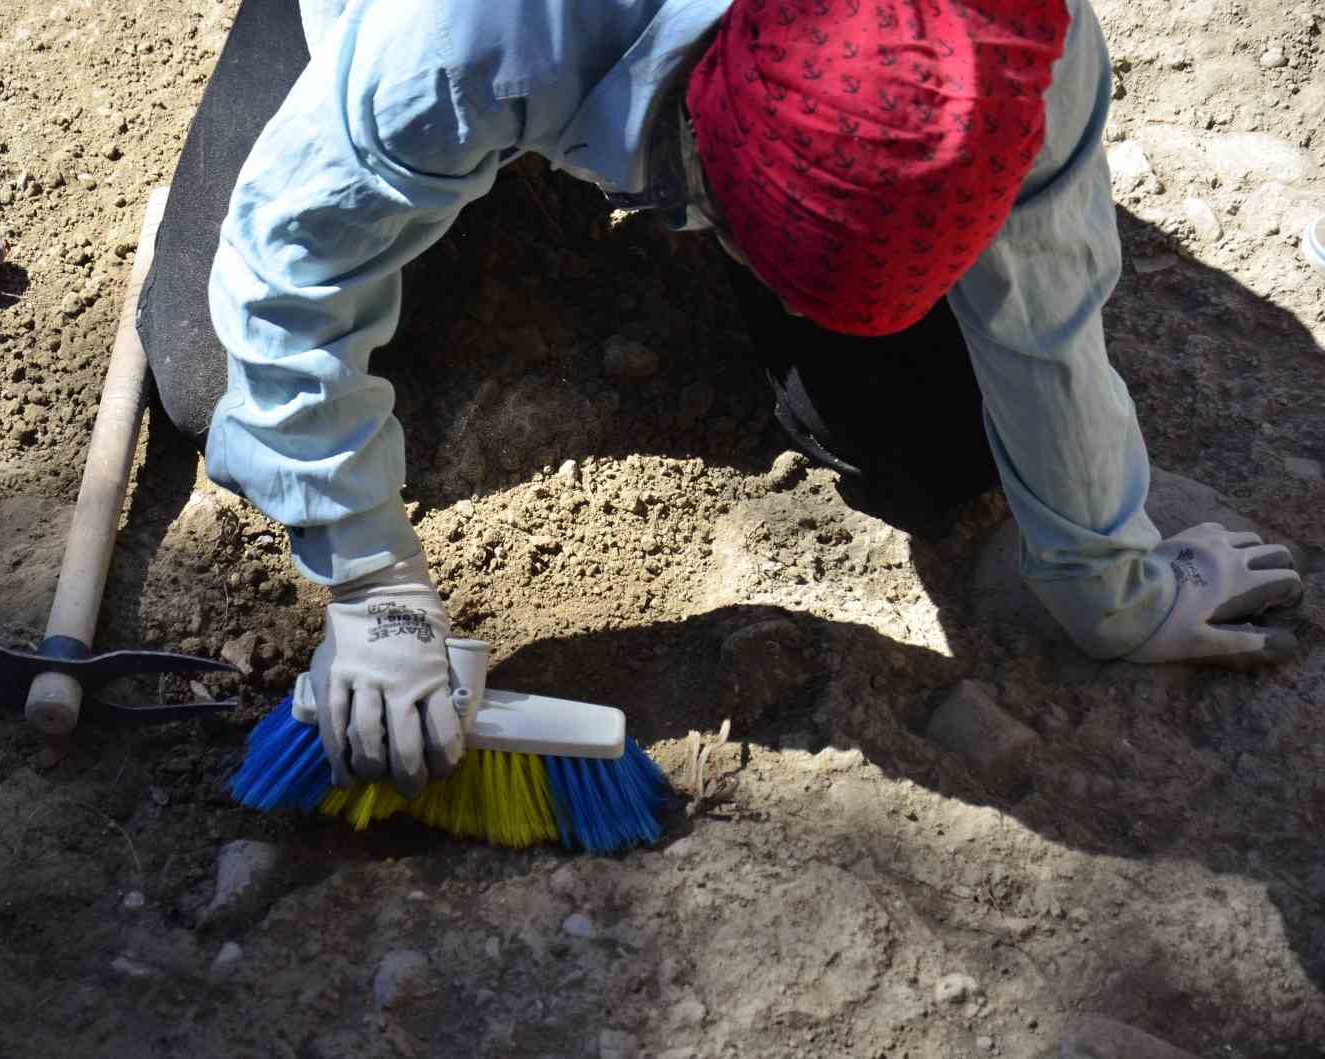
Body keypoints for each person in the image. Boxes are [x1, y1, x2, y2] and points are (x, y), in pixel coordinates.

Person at [136, 0, 1304, 800]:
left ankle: (799, 250)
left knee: (941, 458)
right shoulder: (463, 29)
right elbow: (290, 274)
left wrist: (1114, 588)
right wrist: (370, 582)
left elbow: (1045, 325)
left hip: (784, 111)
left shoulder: (1011, 49)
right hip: (470, 50)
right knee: (207, 378)